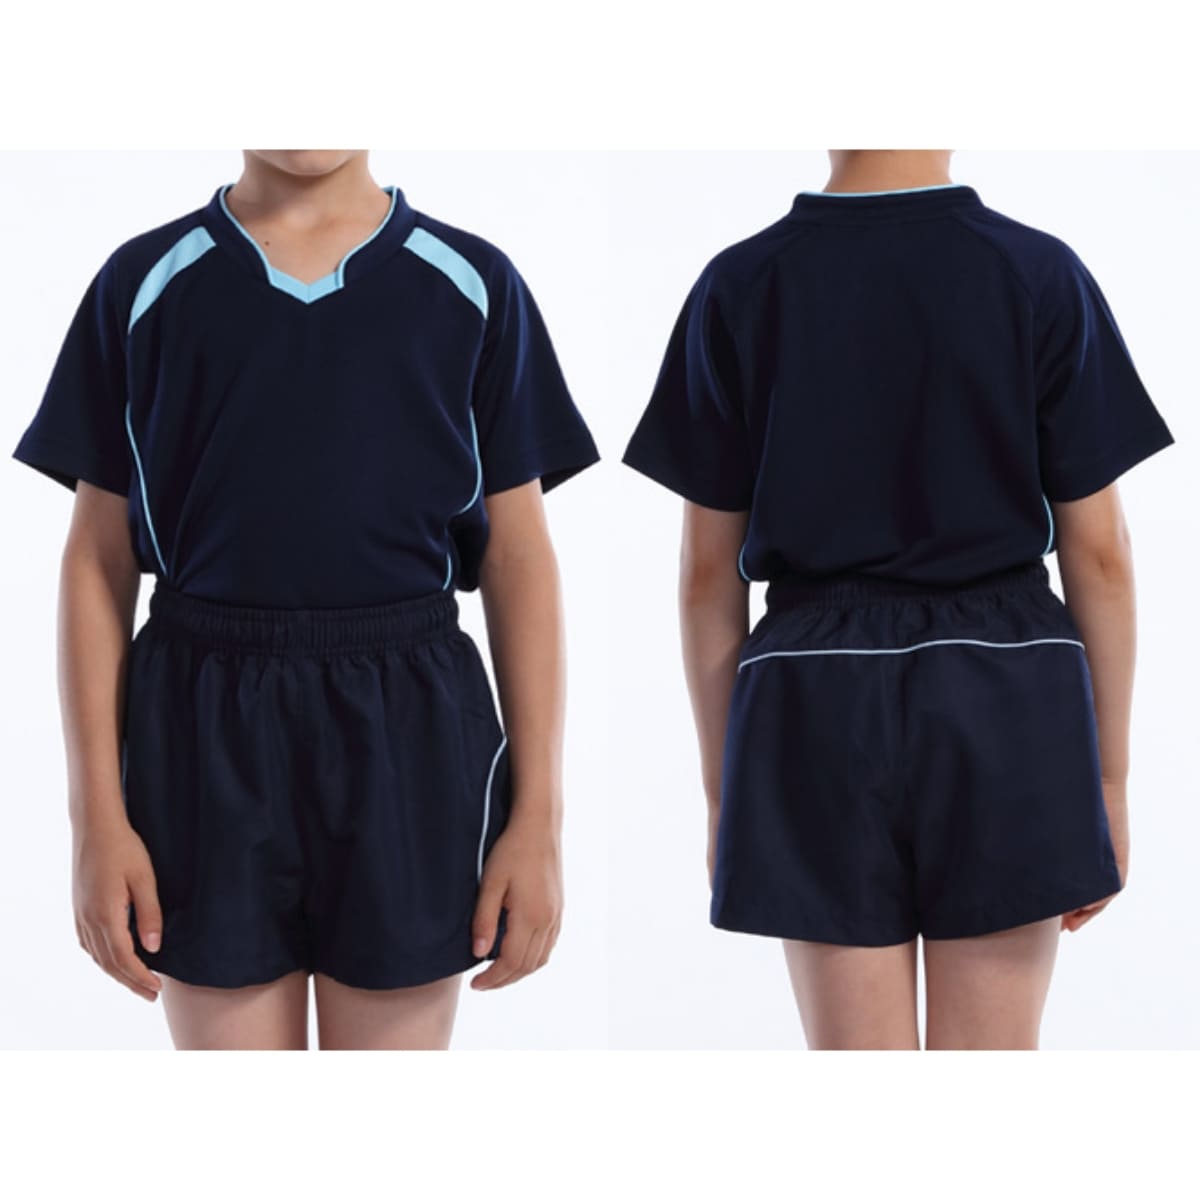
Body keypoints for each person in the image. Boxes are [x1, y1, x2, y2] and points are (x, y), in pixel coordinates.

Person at [13, 150, 599, 1050]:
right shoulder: (143, 282)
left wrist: (539, 818)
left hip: (407, 727)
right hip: (203, 729)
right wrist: (94, 817)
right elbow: (96, 559)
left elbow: (521, 559)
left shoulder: (473, 283)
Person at [622, 150, 1174, 1050]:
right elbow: (1100, 556)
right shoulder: (1037, 273)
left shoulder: (741, 283)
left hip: (813, 696)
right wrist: (1108, 780)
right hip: (1007, 690)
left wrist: (726, 794)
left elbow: (706, 576)